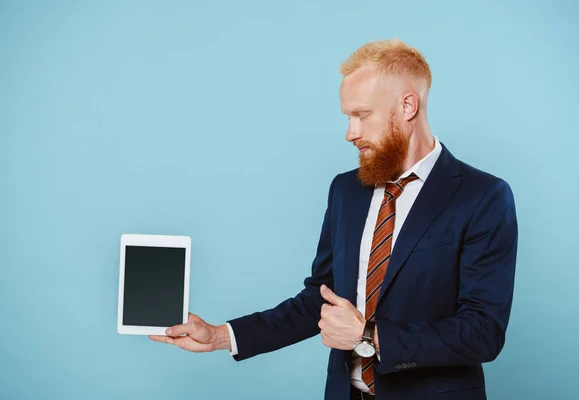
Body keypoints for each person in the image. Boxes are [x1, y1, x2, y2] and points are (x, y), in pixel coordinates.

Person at [149, 39, 518, 400]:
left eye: (362, 115)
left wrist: (369, 335)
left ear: (408, 106)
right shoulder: (347, 190)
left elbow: (482, 332)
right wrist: (220, 336)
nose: (350, 133)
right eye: (348, 117)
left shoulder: (482, 197)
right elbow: (319, 300)